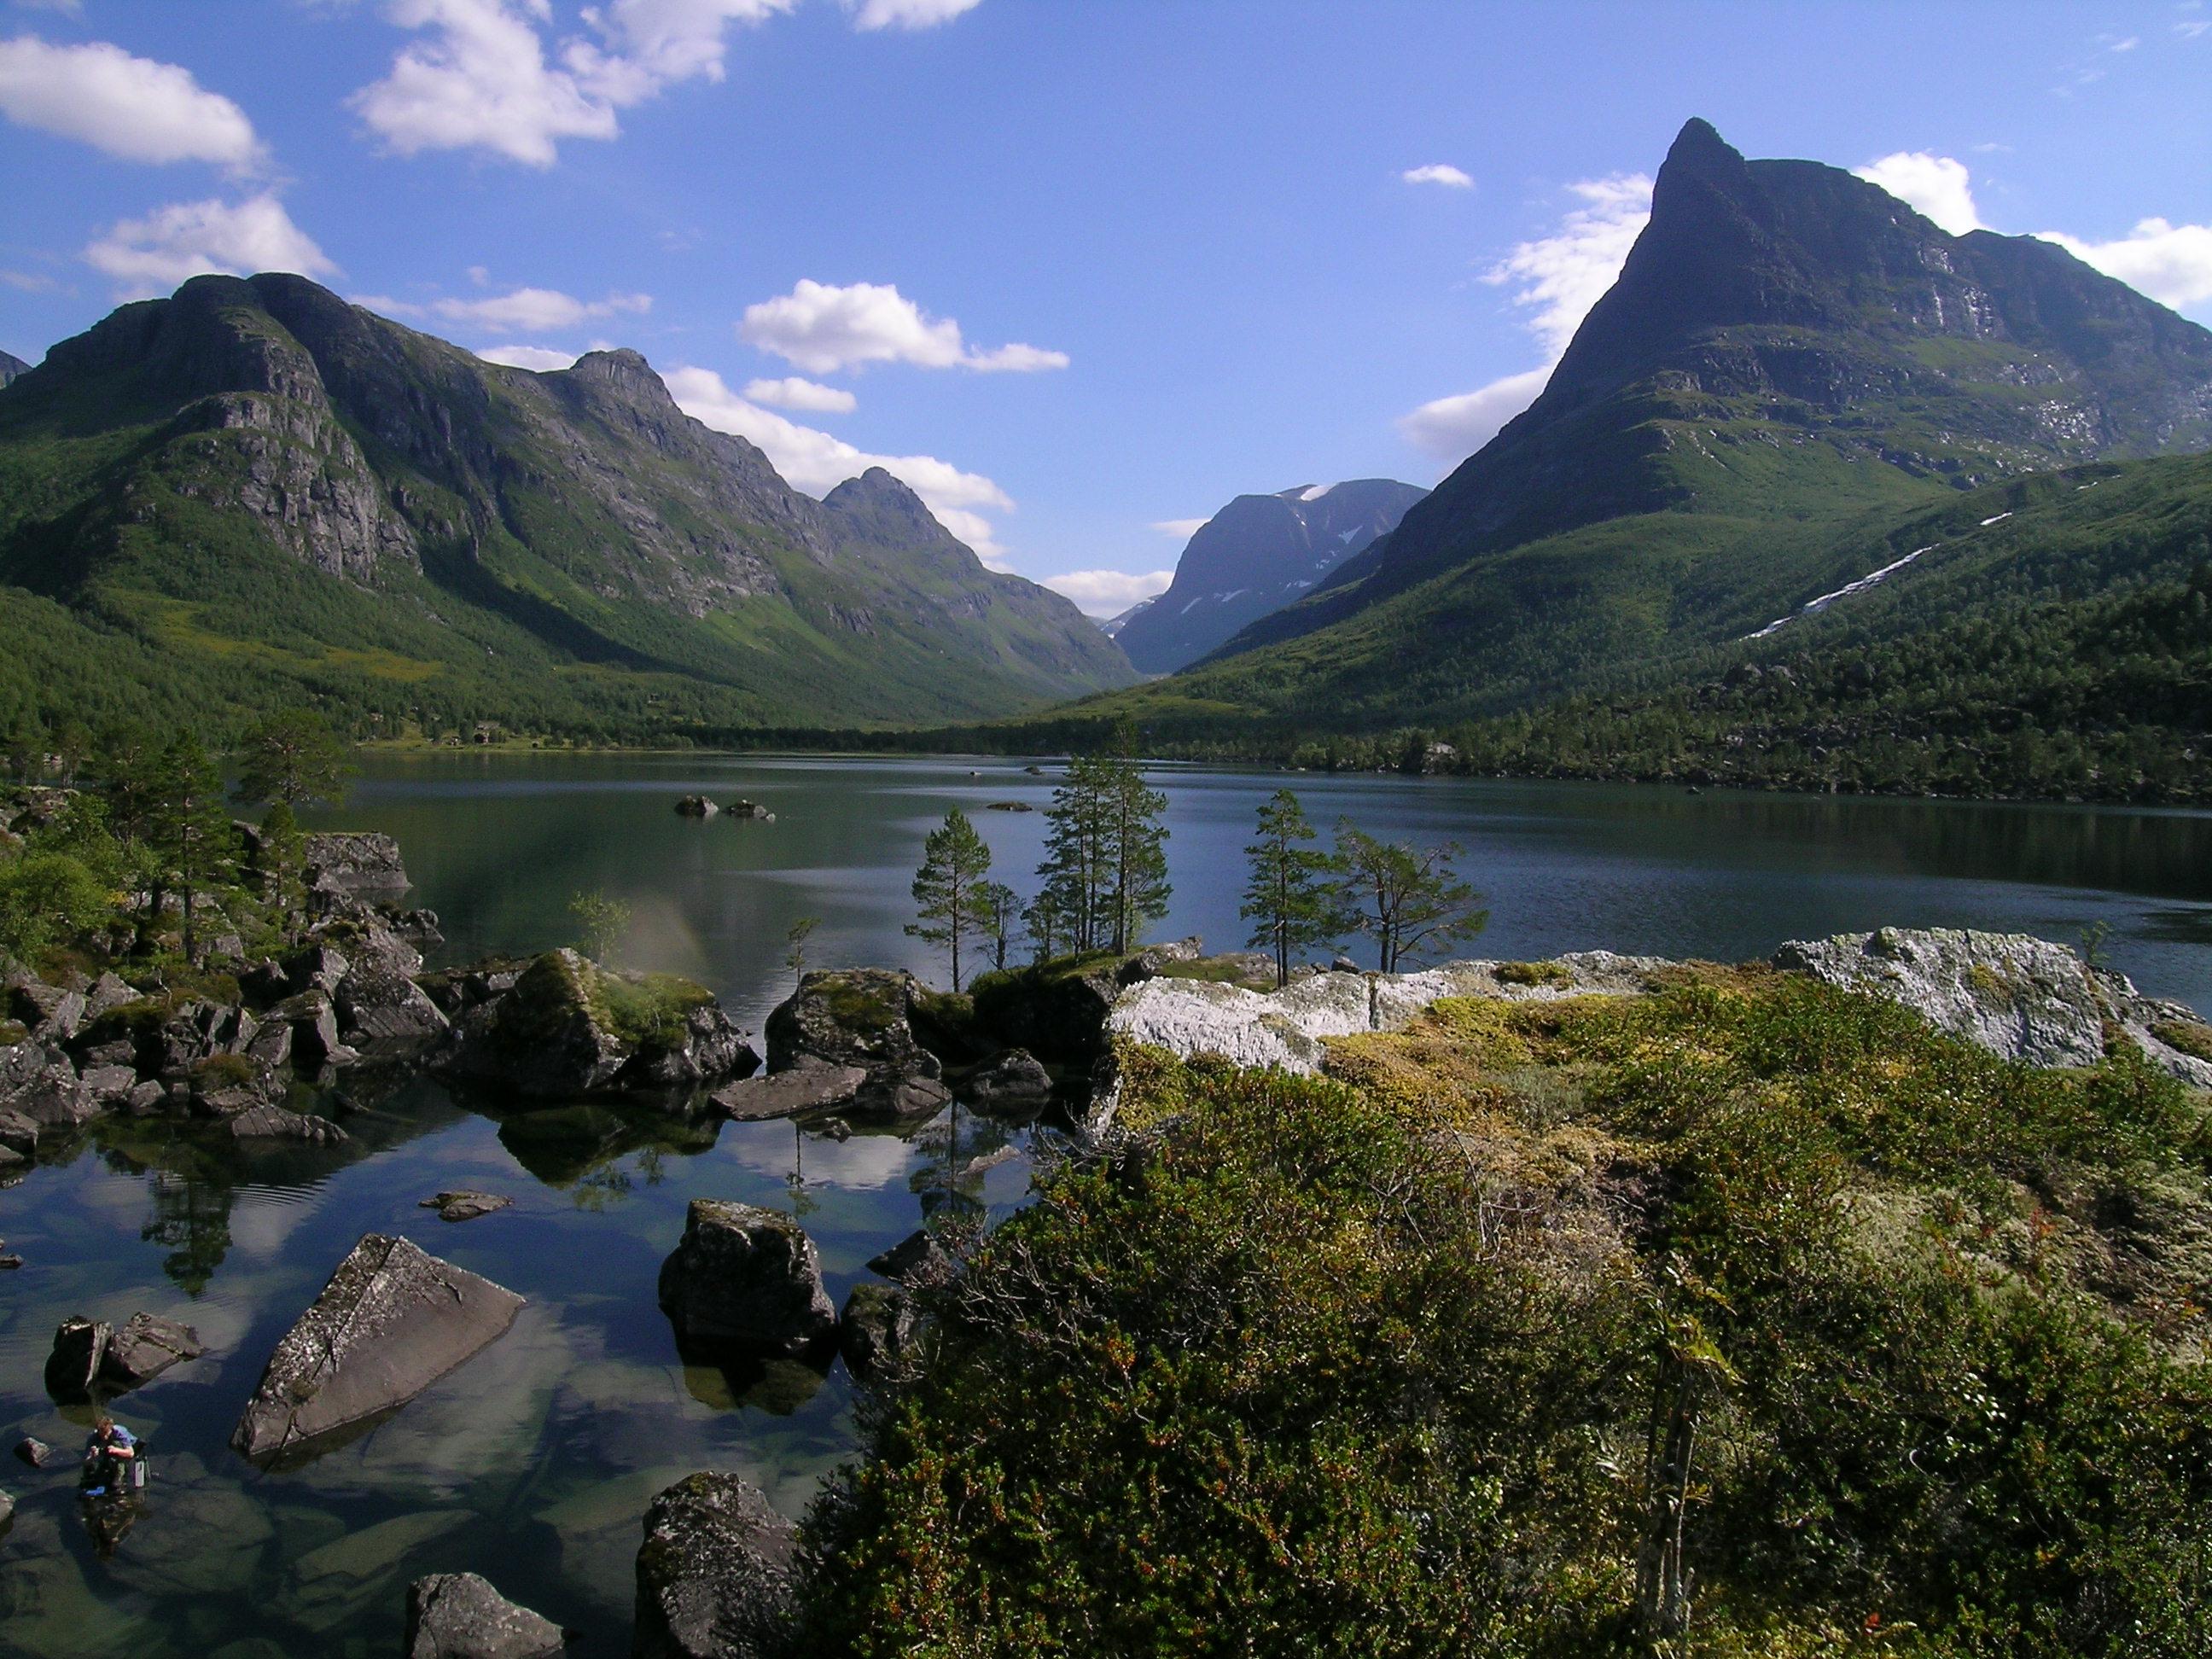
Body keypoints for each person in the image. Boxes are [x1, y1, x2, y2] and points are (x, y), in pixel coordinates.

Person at [80, 1414, 138, 1497]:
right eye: (101, 1433)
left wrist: (116, 1450)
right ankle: (92, 1478)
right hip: (108, 1449)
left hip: (128, 1448)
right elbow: (85, 1461)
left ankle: (119, 1476)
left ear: (111, 1428)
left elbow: (130, 1453)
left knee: (116, 1443)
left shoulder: (119, 1432)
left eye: (106, 1433)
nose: (104, 1437)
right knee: (93, 1471)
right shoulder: (93, 1437)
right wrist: (92, 1456)